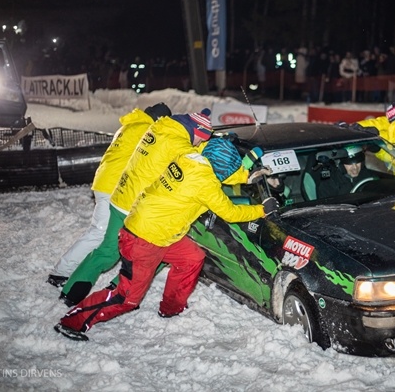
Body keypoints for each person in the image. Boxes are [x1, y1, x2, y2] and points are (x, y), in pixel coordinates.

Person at [54, 138, 279, 341]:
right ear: (219, 169)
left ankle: (171, 308)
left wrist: (245, 174)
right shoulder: (205, 183)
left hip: (160, 231)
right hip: (144, 239)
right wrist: (261, 210)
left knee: (192, 258)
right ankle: (71, 322)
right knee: (126, 298)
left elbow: (218, 168)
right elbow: (230, 212)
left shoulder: (190, 156)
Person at [59, 108, 224, 306]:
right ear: (196, 131)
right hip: (136, 209)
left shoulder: (160, 128)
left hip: (121, 198)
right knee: (154, 254)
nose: (200, 143)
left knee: (108, 251)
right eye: (201, 139)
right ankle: (120, 294)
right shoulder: (177, 143)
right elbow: (198, 162)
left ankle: (71, 292)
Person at [47, 102, 172, 288]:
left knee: (118, 232)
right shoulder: (147, 130)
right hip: (114, 186)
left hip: (108, 182)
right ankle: (61, 273)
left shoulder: (132, 125)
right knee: (99, 233)